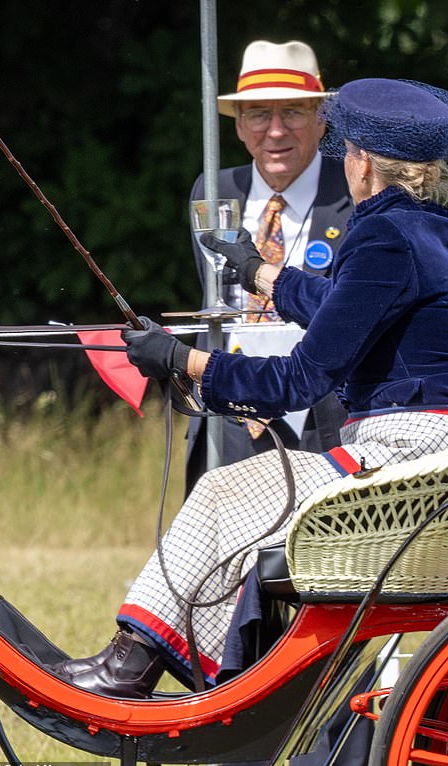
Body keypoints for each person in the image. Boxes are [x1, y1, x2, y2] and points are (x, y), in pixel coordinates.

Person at [52, 77, 448, 718]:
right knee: (235, 498)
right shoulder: (435, 227)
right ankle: (142, 662)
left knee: (221, 491)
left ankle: (127, 666)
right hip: (444, 443)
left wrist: (181, 361)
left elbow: (299, 378)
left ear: (363, 163)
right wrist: (257, 272)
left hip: (407, 452)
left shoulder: (382, 236)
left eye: (344, 152)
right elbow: (345, 310)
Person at [186, 39, 352, 493]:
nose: (276, 131)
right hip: (230, 413)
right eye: (259, 113)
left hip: (326, 421)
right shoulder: (214, 189)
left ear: (321, 120)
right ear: (239, 125)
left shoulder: (354, 192)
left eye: (293, 112)